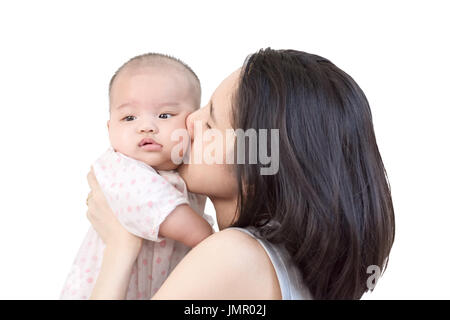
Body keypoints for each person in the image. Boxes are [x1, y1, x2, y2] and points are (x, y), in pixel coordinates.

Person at [85, 48, 396, 300]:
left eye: (209, 123)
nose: (189, 120)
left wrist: (120, 245)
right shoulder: (283, 268)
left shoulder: (235, 255)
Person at [61, 53, 214, 300]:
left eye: (164, 115)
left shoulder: (189, 171)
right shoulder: (119, 168)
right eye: (129, 117)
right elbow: (181, 222)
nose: (146, 126)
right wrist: (211, 238)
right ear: (110, 130)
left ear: (193, 124)